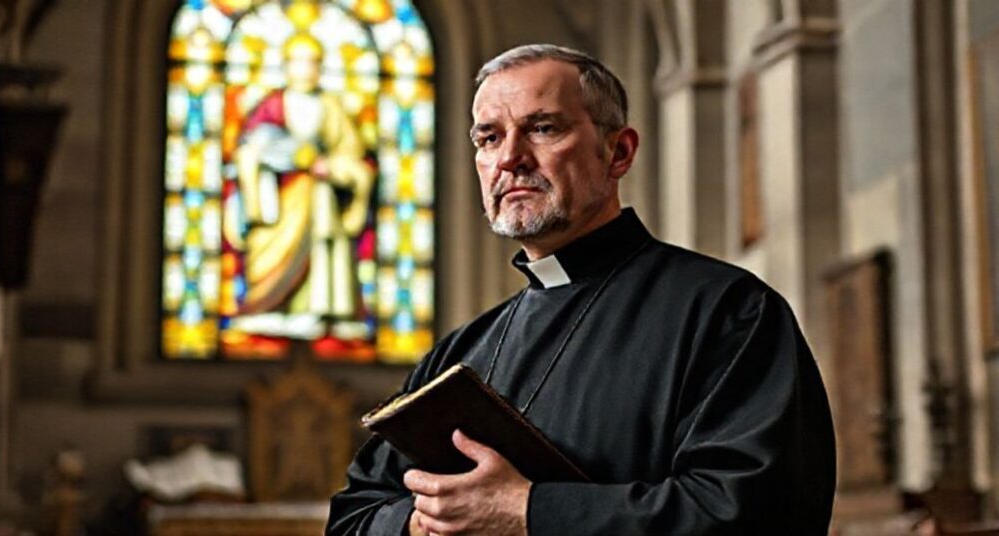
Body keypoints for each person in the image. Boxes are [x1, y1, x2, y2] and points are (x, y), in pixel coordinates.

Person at [327, 44, 835, 535]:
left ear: (618, 152)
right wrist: (423, 523)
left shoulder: (727, 312)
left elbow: (759, 514)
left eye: (542, 128)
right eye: (488, 139)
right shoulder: (460, 353)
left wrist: (530, 512)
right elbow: (353, 517)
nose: (510, 159)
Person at [232, 33, 373, 334]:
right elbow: (249, 148)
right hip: (280, 198)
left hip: (321, 196)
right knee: (270, 254)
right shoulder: (271, 105)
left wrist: (332, 166)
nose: (307, 70)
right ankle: (270, 306)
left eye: (313, 63)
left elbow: (351, 150)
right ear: (286, 67)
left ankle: (320, 312)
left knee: (323, 250)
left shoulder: (330, 107)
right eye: (300, 63)